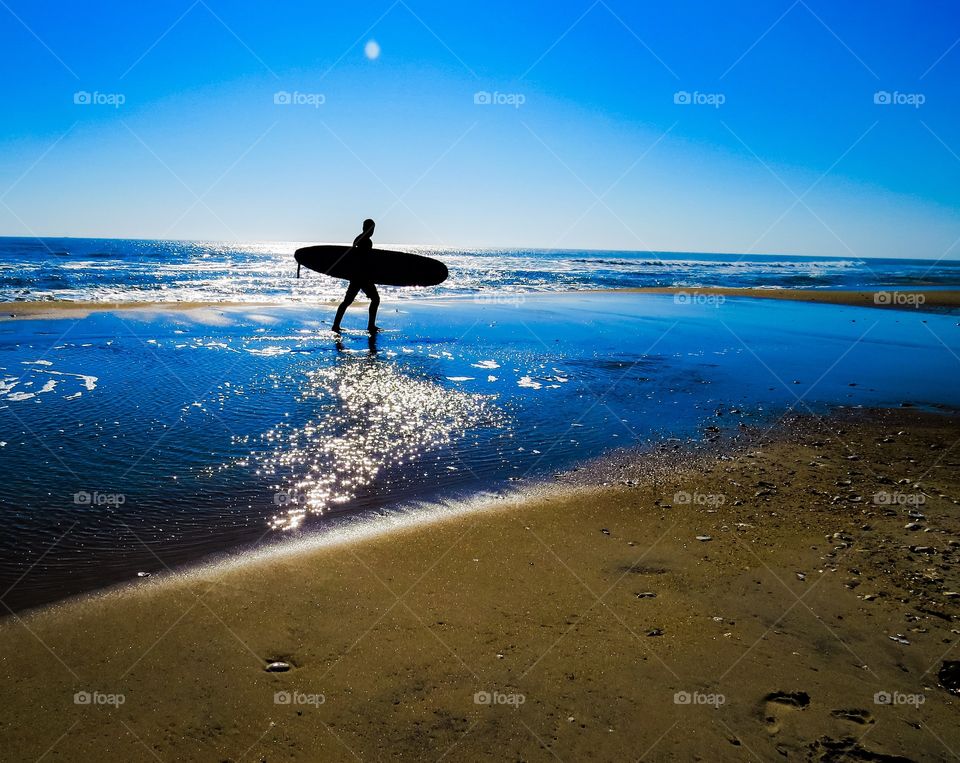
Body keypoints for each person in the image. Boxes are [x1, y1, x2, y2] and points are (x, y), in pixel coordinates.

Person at [331, 218, 380, 334]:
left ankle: (336, 325)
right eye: (372, 229)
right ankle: (370, 326)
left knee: (347, 301)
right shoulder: (366, 241)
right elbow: (364, 260)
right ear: (366, 228)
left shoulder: (358, 239)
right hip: (362, 277)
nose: (373, 231)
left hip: (356, 276)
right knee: (375, 299)